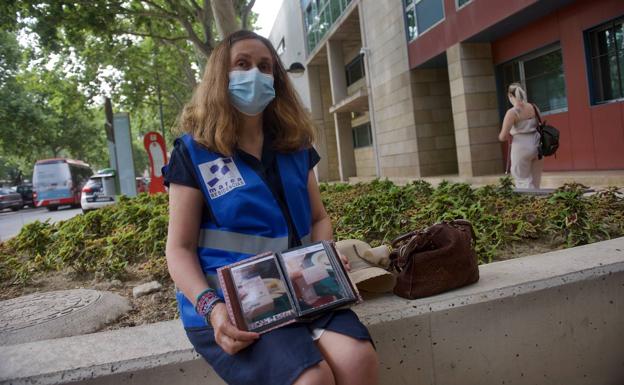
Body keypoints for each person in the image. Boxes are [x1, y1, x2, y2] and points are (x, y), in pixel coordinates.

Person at [164, 30, 379, 385]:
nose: (256, 75)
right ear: (221, 76)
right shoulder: (193, 152)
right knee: (311, 380)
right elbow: (179, 249)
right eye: (243, 64)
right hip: (234, 303)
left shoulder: (294, 144)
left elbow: (318, 218)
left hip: (304, 290)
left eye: (265, 66)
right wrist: (212, 309)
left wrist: (322, 256)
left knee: (358, 358)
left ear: (276, 79)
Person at [498, 82, 543, 189]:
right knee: (536, 180)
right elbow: (539, 124)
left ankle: (528, 203)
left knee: (521, 180)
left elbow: (503, 136)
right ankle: (538, 201)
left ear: (510, 95)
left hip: (521, 147)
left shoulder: (512, 112)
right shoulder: (534, 107)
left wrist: (503, 135)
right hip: (538, 145)